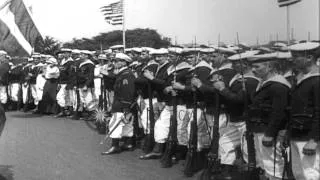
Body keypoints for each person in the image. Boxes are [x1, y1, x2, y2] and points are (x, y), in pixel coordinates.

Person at [247, 52, 291, 180]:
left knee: (273, 165)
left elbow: (279, 113)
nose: (253, 70)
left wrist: (270, 134)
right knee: (264, 163)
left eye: (257, 67)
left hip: (270, 131)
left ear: (269, 67)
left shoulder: (278, 85)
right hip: (260, 129)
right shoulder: (263, 83)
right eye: (252, 67)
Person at [288, 42, 320, 180]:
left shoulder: (317, 80)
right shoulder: (301, 78)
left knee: (310, 173)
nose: (293, 60)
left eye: (297, 56)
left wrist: (314, 139)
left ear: (310, 58)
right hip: (297, 133)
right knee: (299, 173)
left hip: (309, 135)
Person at [101, 53, 136, 155]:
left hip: (122, 103)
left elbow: (128, 92)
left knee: (115, 122)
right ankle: (127, 144)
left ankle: (115, 146)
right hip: (122, 102)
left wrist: (126, 106)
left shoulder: (127, 74)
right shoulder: (121, 73)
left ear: (124, 62)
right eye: (114, 61)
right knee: (126, 123)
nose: (115, 63)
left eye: (117, 61)